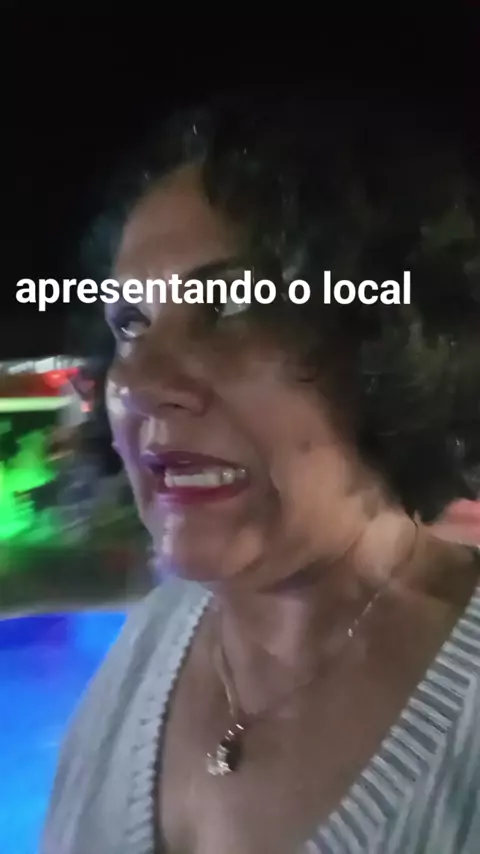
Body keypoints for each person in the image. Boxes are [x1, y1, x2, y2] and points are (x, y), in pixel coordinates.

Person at [42, 94, 480, 854]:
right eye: (130, 324)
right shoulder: (145, 645)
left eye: (231, 308)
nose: (141, 382)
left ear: (389, 346)